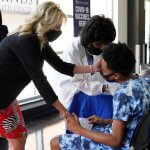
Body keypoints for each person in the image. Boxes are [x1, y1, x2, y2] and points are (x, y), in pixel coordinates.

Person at [0, 1, 101, 150]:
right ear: (46, 23)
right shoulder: (26, 41)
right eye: (57, 26)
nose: (59, 30)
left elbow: (62, 66)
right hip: (1, 101)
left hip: (7, 100)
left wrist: (94, 68)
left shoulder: (39, 40)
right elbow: (40, 82)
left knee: (19, 139)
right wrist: (65, 113)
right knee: (17, 141)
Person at [50, 43, 150, 150]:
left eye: (103, 70)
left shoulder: (123, 95)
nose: (100, 70)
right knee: (88, 126)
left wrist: (78, 129)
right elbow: (133, 120)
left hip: (121, 145)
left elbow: (115, 141)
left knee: (55, 142)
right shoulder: (143, 81)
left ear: (116, 75)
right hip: (132, 138)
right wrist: (105, 121)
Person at [50, 15, 119, 123]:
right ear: (88, 41)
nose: (102, 48)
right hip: (74, 91)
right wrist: (107, 88)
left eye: (106, 44)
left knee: (109, 105)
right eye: (98, 44)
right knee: (82, 124)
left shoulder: (103, 48)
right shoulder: (73, 49)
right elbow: (79, 82)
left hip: (95, 87)